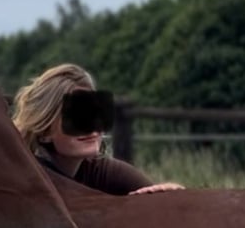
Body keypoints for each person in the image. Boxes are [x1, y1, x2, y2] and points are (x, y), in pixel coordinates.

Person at [12, 63, 183, 196]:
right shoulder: (24, 181)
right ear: (44, 132)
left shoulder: (106, 173)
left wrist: (171, 192)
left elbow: (165, 199)